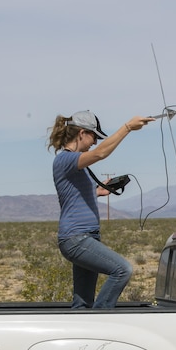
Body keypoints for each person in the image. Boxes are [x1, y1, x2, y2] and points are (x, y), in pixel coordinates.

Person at [47, 110, 154, 309]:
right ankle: (101, 319)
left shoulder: (74, 162)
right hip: (77, 238)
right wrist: (128, 127)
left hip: (84, 237)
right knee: (122, 270)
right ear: (81, 133)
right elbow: (100, 153)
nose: (95, 142)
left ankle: (85, 331)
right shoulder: (65, 159)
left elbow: (73, 193)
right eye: (94, 136)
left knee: (82, 303)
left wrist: (97, 191)